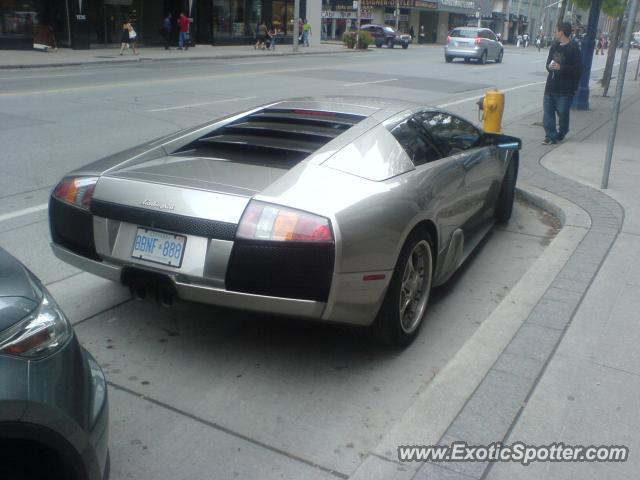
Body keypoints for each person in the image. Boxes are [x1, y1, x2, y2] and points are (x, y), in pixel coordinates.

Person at [542, 21, 582, 145]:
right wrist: (550, 66)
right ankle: (550, 136)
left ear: (562, 32)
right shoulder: (554, 46)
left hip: (564, 90)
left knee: (563, 114)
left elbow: (578, 69)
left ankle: (563, 131)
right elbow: (548, 63)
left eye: (556, 31)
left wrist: (561, 68)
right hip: (551, 86)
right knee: (548, 113)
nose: (555, 33)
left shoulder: (573, 48)